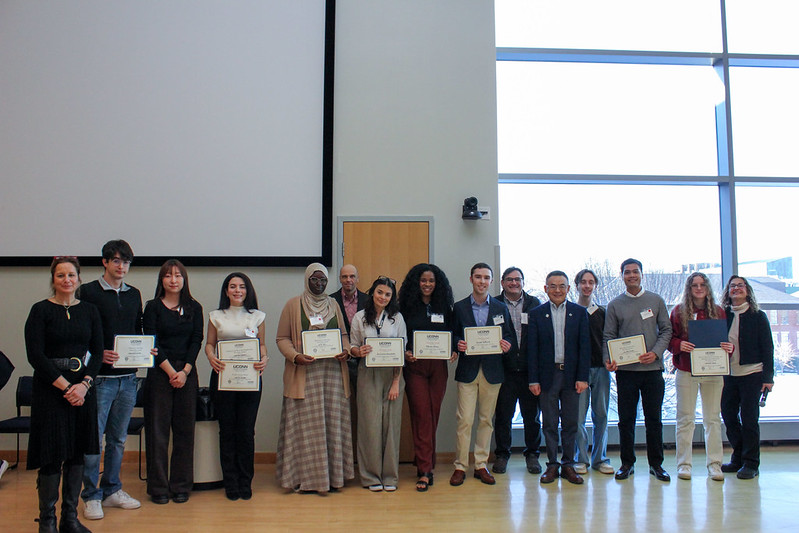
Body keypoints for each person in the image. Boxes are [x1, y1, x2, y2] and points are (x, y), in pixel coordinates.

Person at [26, 257, 103, 533]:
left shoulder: (91, 311)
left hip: (83, 390)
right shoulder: (40, 311)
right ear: (53, 280)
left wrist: (84, 385)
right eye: (61, 275)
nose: (67, 280)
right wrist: (65, 386)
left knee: (77, 454)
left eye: (71, 275)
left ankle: (70, 518)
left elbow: (97, 353)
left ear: (79, 278)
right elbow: (35, 355)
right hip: (50, 390)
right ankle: (47, 521)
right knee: (51, 454)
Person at [80, 240, 147, 519]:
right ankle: (90, 495)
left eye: (126, 262)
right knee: (93, 440)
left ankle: (111, 490)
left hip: (128, 379)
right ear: (105, 262)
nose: (121, 267)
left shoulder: (134, 294)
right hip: (99, 380)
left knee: (118, 439)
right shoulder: (88, 292)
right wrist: (96, 355)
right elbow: (80, 335)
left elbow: (137, 331)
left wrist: (146, 350)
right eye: (116, 261)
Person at [275, 264, 353, 493]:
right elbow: (281, 338)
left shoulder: (333, 304)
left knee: (330, 427)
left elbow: (344, 336)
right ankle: (302, 478)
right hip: (303, 376)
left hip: (332, 377)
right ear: (307, 280)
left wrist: (346, 351)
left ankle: (332, 478)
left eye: (323, 281)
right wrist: (295, 356)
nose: (319, 284)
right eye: (314, 280)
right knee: (305, 431)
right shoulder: (293, 305)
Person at [603, 258, 672, 482]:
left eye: (635, 272)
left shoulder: (656, 300)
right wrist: (609, 359)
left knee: (654, 419)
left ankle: (656, 464)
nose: (631, 275)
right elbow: (609, 336)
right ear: (621, 276)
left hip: (652, 370)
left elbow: (666, 331)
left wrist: (656, 352)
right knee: (626, 420)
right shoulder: (615, 304)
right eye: (627, 272)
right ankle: (627, 463)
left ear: (642, 274)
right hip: (626, 373)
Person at [142, 260, 204, 503]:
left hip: (187, 374)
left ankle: (181, 486)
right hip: (160, 374)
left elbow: (197, 340)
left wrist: (185, 371)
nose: (173, 280)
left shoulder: (194, 307)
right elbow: (152, 342)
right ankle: (158, 488)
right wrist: (170, 371)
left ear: (184, 279)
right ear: (162, 280)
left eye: (178, 275)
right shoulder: (152, 307)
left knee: (185, 432)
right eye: (168, 276)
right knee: (157, 433)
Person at [449, 263, 515, 487]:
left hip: (492, 371)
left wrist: (506, 345)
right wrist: (457, 343)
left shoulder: (500, 307)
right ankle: (460, 466)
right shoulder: (458, 308)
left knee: (486, 420)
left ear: (491, 281)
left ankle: (480, 464)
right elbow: (452, 335)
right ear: (471, 279)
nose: (482, 281)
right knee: (465, 421)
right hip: (467, 370)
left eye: (486, 278)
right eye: (478, 277)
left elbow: (508, 336)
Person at [205, 273, 268, 500]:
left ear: (248, 290)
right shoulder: (216, 316)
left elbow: (262, 346)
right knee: (227, 431)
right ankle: (230, 482)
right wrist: (211, 357)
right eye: (232, 287)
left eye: (242, 287)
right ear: (226, 291)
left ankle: (245, 481)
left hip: (250, 380)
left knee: (246, 432)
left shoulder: (257, 316)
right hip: (223, 379)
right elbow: (209, 344)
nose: (237, 290)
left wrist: (264, 358)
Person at [668, 272, 732, 482]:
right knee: (685, 419)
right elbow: (670, 340)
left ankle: (714, 464)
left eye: (702, 284)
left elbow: (725, 343)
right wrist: (679, 345)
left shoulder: (719, 312)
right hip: (686, 371)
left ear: (707, 288)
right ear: (689, 288)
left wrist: (728, 348)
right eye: (694, 285)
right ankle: (684, 464)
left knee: (712, 419)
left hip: (713, 372)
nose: (698, 288)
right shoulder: (678, 312)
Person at [527, 271, 590, 485]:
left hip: (572, 377)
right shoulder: (536, 314)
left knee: (571, 422)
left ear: (568, 289)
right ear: (545, 289)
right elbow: (532, 350)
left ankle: (568, 465)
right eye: (552, 286)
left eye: (561, 286)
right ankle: (552, 465)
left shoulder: (579, 313)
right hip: (547, 376)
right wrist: (533, 379)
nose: (557, 290)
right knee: (550, 422)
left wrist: (583, 377)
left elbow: (585, 348)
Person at [399, 264, 457, 492]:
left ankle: (424, 461)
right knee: (422, 415)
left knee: (433, 414)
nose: (427, 284)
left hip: (439, 367)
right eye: (423, 280)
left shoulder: (445, 307)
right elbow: (399, 336)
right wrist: (405, 352)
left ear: (437, 283)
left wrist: (454, 349)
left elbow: (453, 334)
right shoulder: (404, 307)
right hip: (415, 367)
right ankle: (425, 470)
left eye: (431, 281)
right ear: (416, 282)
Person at [350, 277, 407, 492]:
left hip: (392, 376)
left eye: (388, 294)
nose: (383, 297)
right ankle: (370, 476)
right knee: (369, 426)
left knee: (391, 427)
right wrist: (358, 351)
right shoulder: (360, 317)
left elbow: (401, 351)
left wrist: (395, 383)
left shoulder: (397, 318)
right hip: (367, 374)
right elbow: (353, 346)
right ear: (372, 292)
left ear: (392, 297)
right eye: (380, 292)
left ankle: (390, 477)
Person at [720, 275, 774, 480]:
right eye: (732, 286)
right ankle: (739, 457)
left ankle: (751, 463)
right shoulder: (723, 315)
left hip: (753, 374)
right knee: (728, 416)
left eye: (740, 286)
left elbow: (768, 348)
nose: (736, 289)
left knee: (750, 420)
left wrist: (768, 378)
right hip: (728, 375)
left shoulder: (758, 316)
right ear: (728, 291)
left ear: (747, 290)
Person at [492, 266, 542, 476]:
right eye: (510, 280)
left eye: (518, 279)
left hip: (530, 371)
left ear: (523, 282)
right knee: (503, 416)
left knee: (532, 417)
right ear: (502, 282)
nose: (514, 283)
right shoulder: (494, 304)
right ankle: (502, 455)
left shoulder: (534, 304)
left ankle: (532, 455)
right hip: (505, 370)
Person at [573, 269, 615, 475]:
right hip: (578, 371)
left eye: (591, 282)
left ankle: (600, 458)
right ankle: (580, 458)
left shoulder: (602, 312)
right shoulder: (570, 311)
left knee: (602, 415)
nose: (587, 286)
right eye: (583, 282)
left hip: (601, 369)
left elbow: (609, 339)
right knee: (578, 417)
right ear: (577, 285)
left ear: (595, 286)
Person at [330, 264, 369, 452]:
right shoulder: (330, 301)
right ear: (339, 279)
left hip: (364, 363)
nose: (348, 280)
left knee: (365, 410)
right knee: (340, 411)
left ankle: (363, 455)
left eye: (352, 276)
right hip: (339, 363)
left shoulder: (369, 300)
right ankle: (342, 456)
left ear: (357, 278)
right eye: (344, 277)